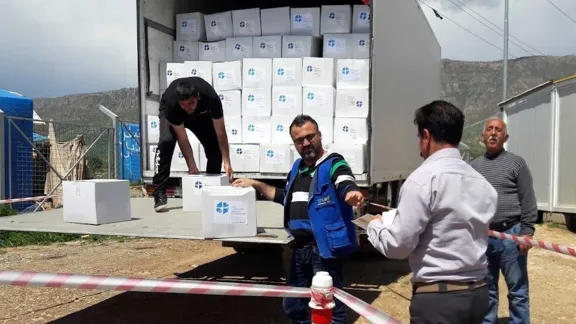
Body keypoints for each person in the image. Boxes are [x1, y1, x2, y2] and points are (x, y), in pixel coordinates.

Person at [366, 100, 498, 324]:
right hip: (478, 294)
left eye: (419, 138)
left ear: (426, 136)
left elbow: (398, 246)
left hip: (439, 300)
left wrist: (374, 227)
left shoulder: (422, 180)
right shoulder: (483, 183)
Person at [232, 114, 364, 324]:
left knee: (330, 307)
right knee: (293, 305)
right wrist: (256, 184)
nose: (306, 143)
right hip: (299, 249)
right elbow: (285, 197)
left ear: (319, 135)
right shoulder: (297, 168)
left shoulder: (333, 162)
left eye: (310, 137)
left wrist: (350, 192)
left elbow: (344, 179)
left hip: (323, 250)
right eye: (299, 140)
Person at [470, 117, 537, 324]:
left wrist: (526, 232)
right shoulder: (473, 167)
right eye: (489, 129)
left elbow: (528, 198)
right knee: (487, 288)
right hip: (484, 237)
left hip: (512, 235)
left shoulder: (516, 163)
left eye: (498, 130)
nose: (493, 133)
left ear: (505, 137)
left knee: (517, 290)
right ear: (482, 136)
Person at [152, 77, 233, 212]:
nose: (187, 108)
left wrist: (227, 162)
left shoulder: (211, 97)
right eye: (183, 104)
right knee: (166, 141)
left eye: (190, 103)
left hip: (200, 116)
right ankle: (159, 193)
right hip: (171, 112)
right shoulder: (173, 104)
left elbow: (221, 132)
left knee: (214, 148)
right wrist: (192, 166)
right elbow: (182, 138)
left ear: (198, 97)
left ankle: (210, 191)